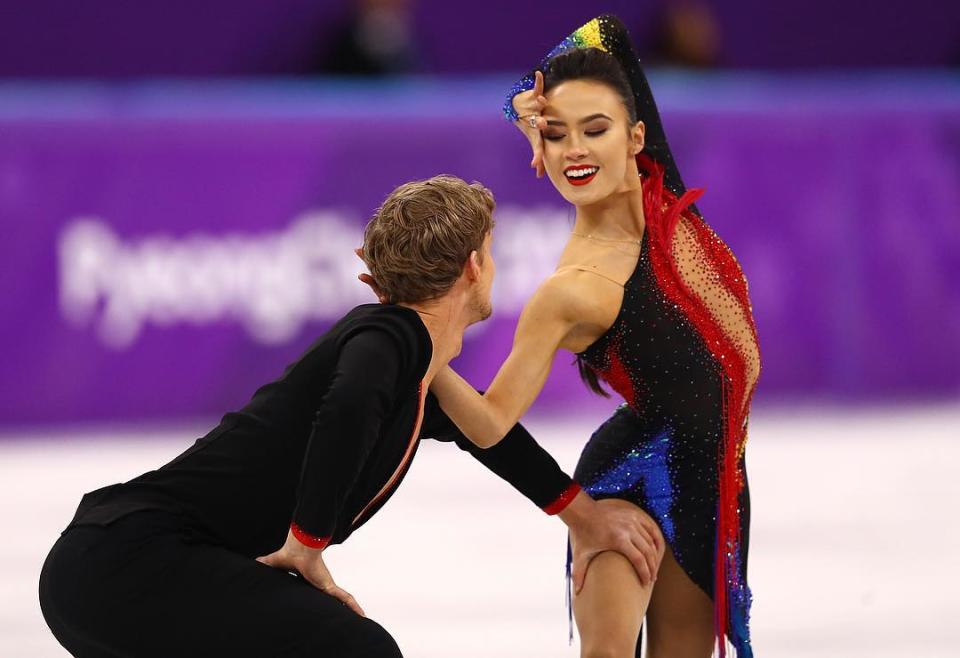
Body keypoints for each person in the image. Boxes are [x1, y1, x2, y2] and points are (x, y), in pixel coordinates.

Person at [38, 175, 661, 658]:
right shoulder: (391, 335)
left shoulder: (411, 367)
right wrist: (308, 543)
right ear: (473, 267)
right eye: (491, 255)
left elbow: (488, 437)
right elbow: (351, 403)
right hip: (128, 561)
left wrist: (583, 517)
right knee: (355, 649)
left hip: (107, 568)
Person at [424, 15, 761, 658]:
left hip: (718, 488)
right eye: (555, 136)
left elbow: (604, 31)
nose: (574, 150)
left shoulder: (664, 197)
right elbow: (490, 420)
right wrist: (423, 354)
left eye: (593, 130)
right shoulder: (572, 288)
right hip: (630, 487)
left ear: (636, 136)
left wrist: (521, 106)